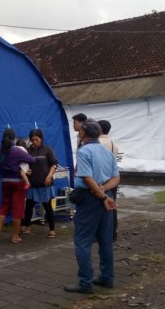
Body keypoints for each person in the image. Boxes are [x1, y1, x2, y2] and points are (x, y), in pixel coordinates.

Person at [64, 119, 120, 294]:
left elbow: (87, 178)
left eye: (79, 130)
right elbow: (116, 178)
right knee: (105, 241)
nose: (78, 132)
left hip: (90, 199)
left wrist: (101, 195)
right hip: (106, 195)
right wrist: (105, 191)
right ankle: (107, 277)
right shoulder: (106, 151)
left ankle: (85, 282)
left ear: (83, 133)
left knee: (82, 241)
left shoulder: (84, 151)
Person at [0, 128, 35, 244]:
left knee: (4, 206)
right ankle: (15, 236)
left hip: (4, 182)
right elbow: (31, 160)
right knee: (17, 208)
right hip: (18, 182)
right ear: (14, 139)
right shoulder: (17, 151)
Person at [20, 129, 58, 238]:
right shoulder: (28, 151)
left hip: (45, 183)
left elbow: (54, 164)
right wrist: (25, 172)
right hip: (32, 183)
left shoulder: (47, 149)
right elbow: (23, 165)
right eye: (32, 140)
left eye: (36, 139)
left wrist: (50, 175)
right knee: (29, 205)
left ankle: (52, 230)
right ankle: (26, 226)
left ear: (41, 138)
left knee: (47, 206)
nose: (34, 142)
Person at [97, 119, 120, 242]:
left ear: (99, 129)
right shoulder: (113, 143)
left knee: (98, 206)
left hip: (100, 179)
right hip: (112, 178)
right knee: (112, 204)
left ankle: (100, 234)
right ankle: (112, 233)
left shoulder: (97, 143)